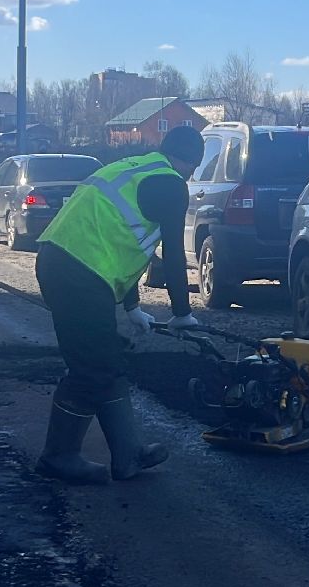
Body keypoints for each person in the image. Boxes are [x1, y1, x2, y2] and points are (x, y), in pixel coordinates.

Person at [32, 125, 205, 484]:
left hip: (62, 261)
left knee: (106, 358)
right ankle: (58, 456)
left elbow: (120, 239)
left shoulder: (131, 168)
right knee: (91, 368)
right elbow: (173, 253)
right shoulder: (172, 185)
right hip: (80, 272)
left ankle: (128, 456)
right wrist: (182, 313)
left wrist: (132, 307)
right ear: (191, 162)